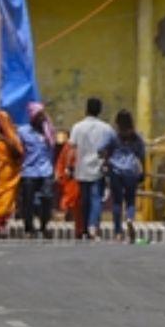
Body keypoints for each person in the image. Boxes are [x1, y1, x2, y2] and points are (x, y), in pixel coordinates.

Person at [69, 97, 115, 239]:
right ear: (99, 111)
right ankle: (93, 226)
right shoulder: (106, 128)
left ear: (86, 109)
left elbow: (72, 148)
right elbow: (113, 144)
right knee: (96, 198)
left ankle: (84, 228)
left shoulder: (77, 127)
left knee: (84, 200)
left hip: (81, 169)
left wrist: (69, 166)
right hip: (98, 169)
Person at [104, 109, 145, 242]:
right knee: (130, 201)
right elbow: (141, 155)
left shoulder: (114, 136)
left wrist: (106, 160)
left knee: (116, 202)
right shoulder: (136, 137)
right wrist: (141, 172)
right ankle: (129, 219)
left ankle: (118, 232)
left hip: (115, 171)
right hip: (131, 172)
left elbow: (103, 150)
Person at [17, 102, 55, 238]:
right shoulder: (23, 131)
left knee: (47, 198)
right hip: (29, 171)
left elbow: (53, 146)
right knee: (27, 201)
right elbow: (18, 150)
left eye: (42, 114)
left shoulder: (48, 130)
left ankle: (44, 226)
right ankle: (29, 228)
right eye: (39, 115)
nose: (42, 117)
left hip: (46, 170)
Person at [0, 110, 23, 237]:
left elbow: (18, 152)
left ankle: (0, 225)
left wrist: (5, 139)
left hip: (9, 174)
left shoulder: (11, 137)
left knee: (6, 201)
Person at [54, 131, 82, 237]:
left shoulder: (80, 146)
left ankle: (78, 229)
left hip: (78, 179)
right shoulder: (68, 147)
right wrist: (59, 174)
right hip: (69, 180)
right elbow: (61, 161)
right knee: (67, 202)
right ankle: (62, 226)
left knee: (77, 206)